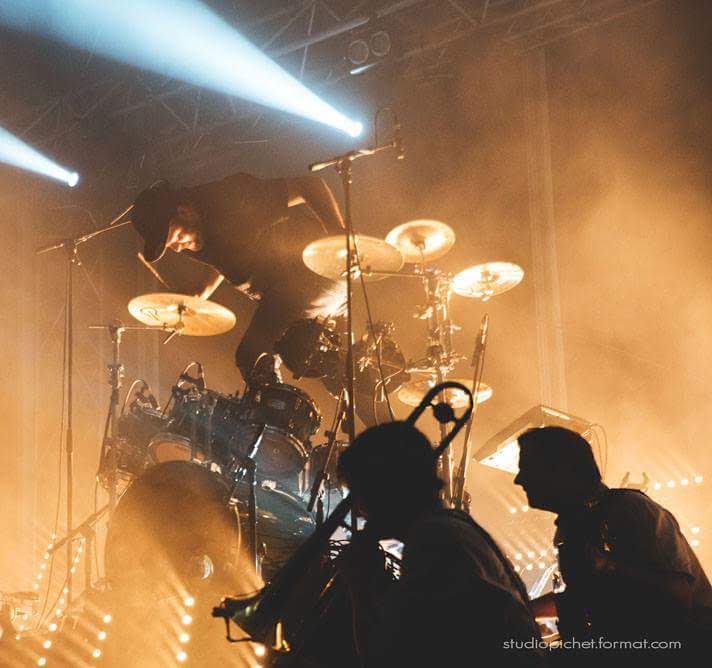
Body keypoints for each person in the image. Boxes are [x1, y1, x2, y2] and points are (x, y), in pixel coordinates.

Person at [336, 422, 545, 665]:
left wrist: (360, 586)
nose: (358, 512)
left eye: (360, 494)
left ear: (385, 489)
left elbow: (391, 659)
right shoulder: (454, 526)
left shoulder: (432, 540)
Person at [515, 426, 712, 656]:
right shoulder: (575, 527)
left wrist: (609, 567)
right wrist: (522, 612)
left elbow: (678, 595)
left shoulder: (631, 509)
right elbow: (585, 597)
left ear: (560, 469)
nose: (519, 479)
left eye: (527, 468)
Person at [130, 174, 347, 382]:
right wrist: (202, 291)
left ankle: (269, 408)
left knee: (252, 356)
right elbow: (225, 253)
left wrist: (339, 236)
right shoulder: (190, 232)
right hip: (284, 293)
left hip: (310, 275)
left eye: (176, 238)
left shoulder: (233, 199)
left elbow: (309, 185)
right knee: (313, 360)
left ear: (184, 211)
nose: (177, 248)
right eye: (169, 245)